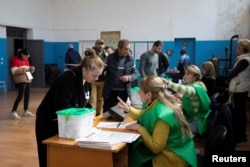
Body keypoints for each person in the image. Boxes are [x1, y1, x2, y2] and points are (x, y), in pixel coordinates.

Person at [35, 48, 104, 167]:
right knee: (49, 158)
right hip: (49, 122)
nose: (96, 79)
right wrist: (83, 115)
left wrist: (90, 112)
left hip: (66, 124)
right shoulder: (68, 78)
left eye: (98, 75)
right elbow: (62, 106)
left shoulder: (87, 80)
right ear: (84, 70)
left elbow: (85, 102)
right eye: (94, 75)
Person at [117, 76, 197, 167]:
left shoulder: (163, 116)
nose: (138, 93)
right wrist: (128, 109)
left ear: (149, 95)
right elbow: (145, 116)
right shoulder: (158, 102)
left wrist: (140, 128)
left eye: (140, 90)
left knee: (131, 154)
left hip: (171, 158)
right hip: (173, 150)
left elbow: (156, 148)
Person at [167, 65, 211, 136]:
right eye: (185, 74)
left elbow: (187, 91)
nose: (185, 76)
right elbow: (194, 102)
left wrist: (167, 83)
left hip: (197, 124)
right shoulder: (200, 85)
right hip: (202, 120)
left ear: (195, 77)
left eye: (188, 74)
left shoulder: (194, 87)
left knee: (172, 128)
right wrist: (182, 98)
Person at [102, 39, 138, 113]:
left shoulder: (131, 59)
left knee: (121, 114)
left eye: (129, 49)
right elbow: (102, 69)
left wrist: (128, 78)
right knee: (107, 113)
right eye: (126, 49)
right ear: (119, 48)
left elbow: (135, 74)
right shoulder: (110, 58)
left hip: (123, 92)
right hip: (110, 92)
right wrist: (104, 72)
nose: (128, 51)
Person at [228, 39, 250, 145]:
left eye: (237, 47)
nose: (237, 49)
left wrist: (231, 72)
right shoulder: (242, 59)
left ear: (241, 48)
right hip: (240, 88)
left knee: (239, 113)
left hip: (240, 89)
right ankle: (240, 135)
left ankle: (241, 137)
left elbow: (233, 72)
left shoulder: (244, 60)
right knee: (239, 112)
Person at [10, 48, 35, 119]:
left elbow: (27, 69)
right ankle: (13, 111)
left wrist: (31, 69)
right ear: (22, 54)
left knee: (27, 96)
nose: (27, 58)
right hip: (21, 80)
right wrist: (25, 69)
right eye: (26, 56)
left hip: (27, 79)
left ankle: (26, 110)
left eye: (28, 57)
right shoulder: (15, 59)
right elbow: (14, 72)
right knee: (20, 96)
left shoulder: (26, 60)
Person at [89, 39, 107, 115]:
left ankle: (99, 115)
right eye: (99, 44)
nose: (100, 46)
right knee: (92, 99)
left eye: (102, 44)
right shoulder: (91, 54)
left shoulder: (106, 55)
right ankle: (91, 116)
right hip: (93, 80)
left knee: (100, 99)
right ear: (96, 45)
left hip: (102, 80)